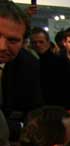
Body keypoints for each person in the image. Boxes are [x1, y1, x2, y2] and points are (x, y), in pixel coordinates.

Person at [0, 1, 43, 138]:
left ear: (23, 42)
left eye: (12, 40)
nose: (2, 47)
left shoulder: (29, 65)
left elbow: (34, 109)